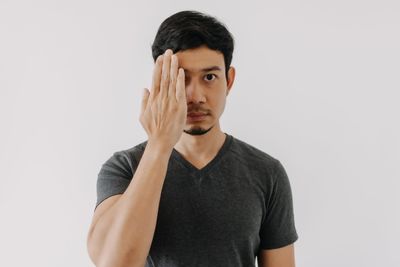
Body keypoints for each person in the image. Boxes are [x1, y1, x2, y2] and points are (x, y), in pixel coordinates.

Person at [86, 10, 298, 267]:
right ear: (160, 81)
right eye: (181, 78)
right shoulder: (125, 168)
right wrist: (159, 145)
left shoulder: (267, 173)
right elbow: (115, 263)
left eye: (209, 77)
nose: (195, 95)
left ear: (229, 81)